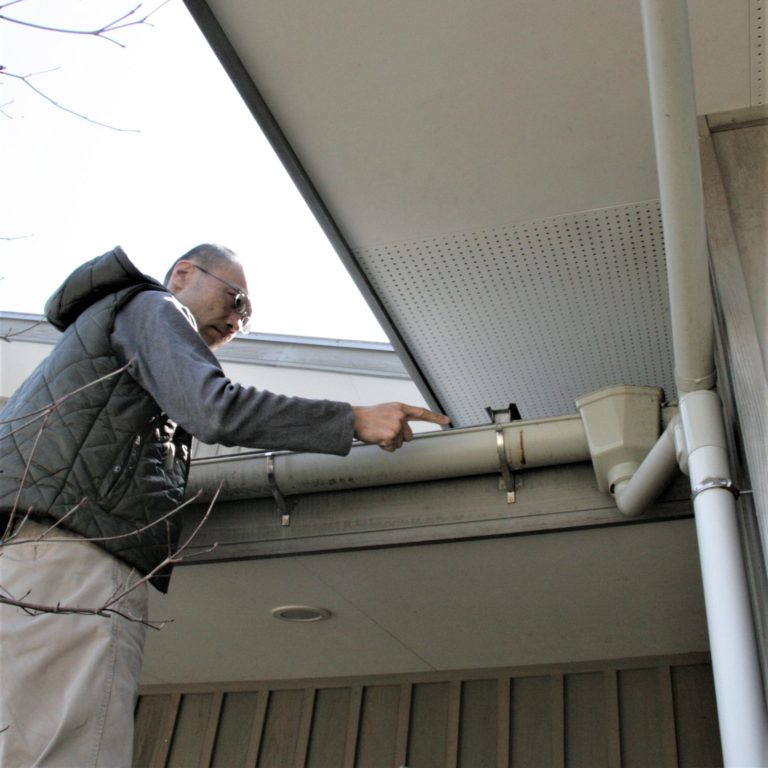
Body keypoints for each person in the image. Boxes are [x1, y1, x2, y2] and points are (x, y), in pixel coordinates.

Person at [0, 244, 449, 767]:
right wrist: (352, 420)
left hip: (29, 557)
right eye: (235, 299)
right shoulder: (154, 306)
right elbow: (215, 408)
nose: (237, 319)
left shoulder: (94, 338)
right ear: (184, 275)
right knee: (72, 748)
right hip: (75, 553)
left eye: (247, 315)